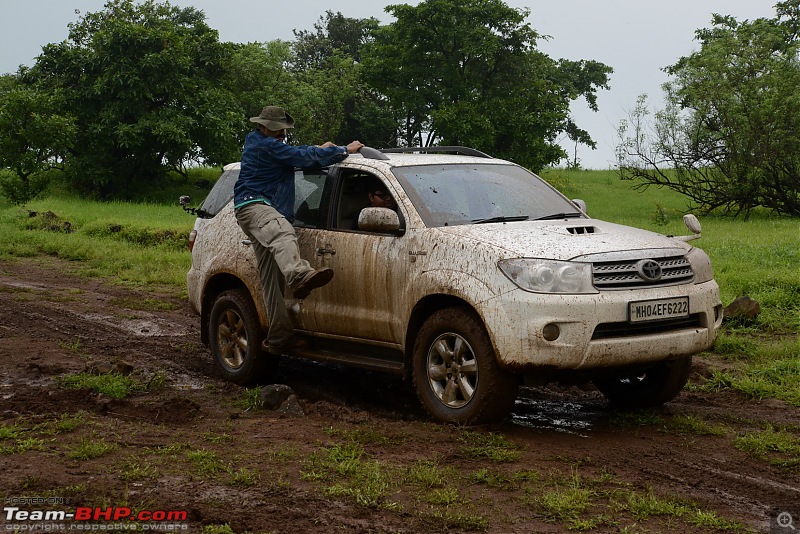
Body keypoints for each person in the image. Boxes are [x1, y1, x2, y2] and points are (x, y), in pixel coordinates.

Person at [234, 106, 364, 355]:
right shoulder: (265, 145)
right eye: (277, 128)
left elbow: (297, 154)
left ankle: (279, 336)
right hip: (255, 204)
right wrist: (342, 151)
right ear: (263, 127)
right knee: (283, 232)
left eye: (283, 128)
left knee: (271, 280)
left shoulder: (265, 143)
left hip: (259, 207)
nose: (282, 131)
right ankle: (299, 275)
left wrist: (322, 150)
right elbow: (301, 157)